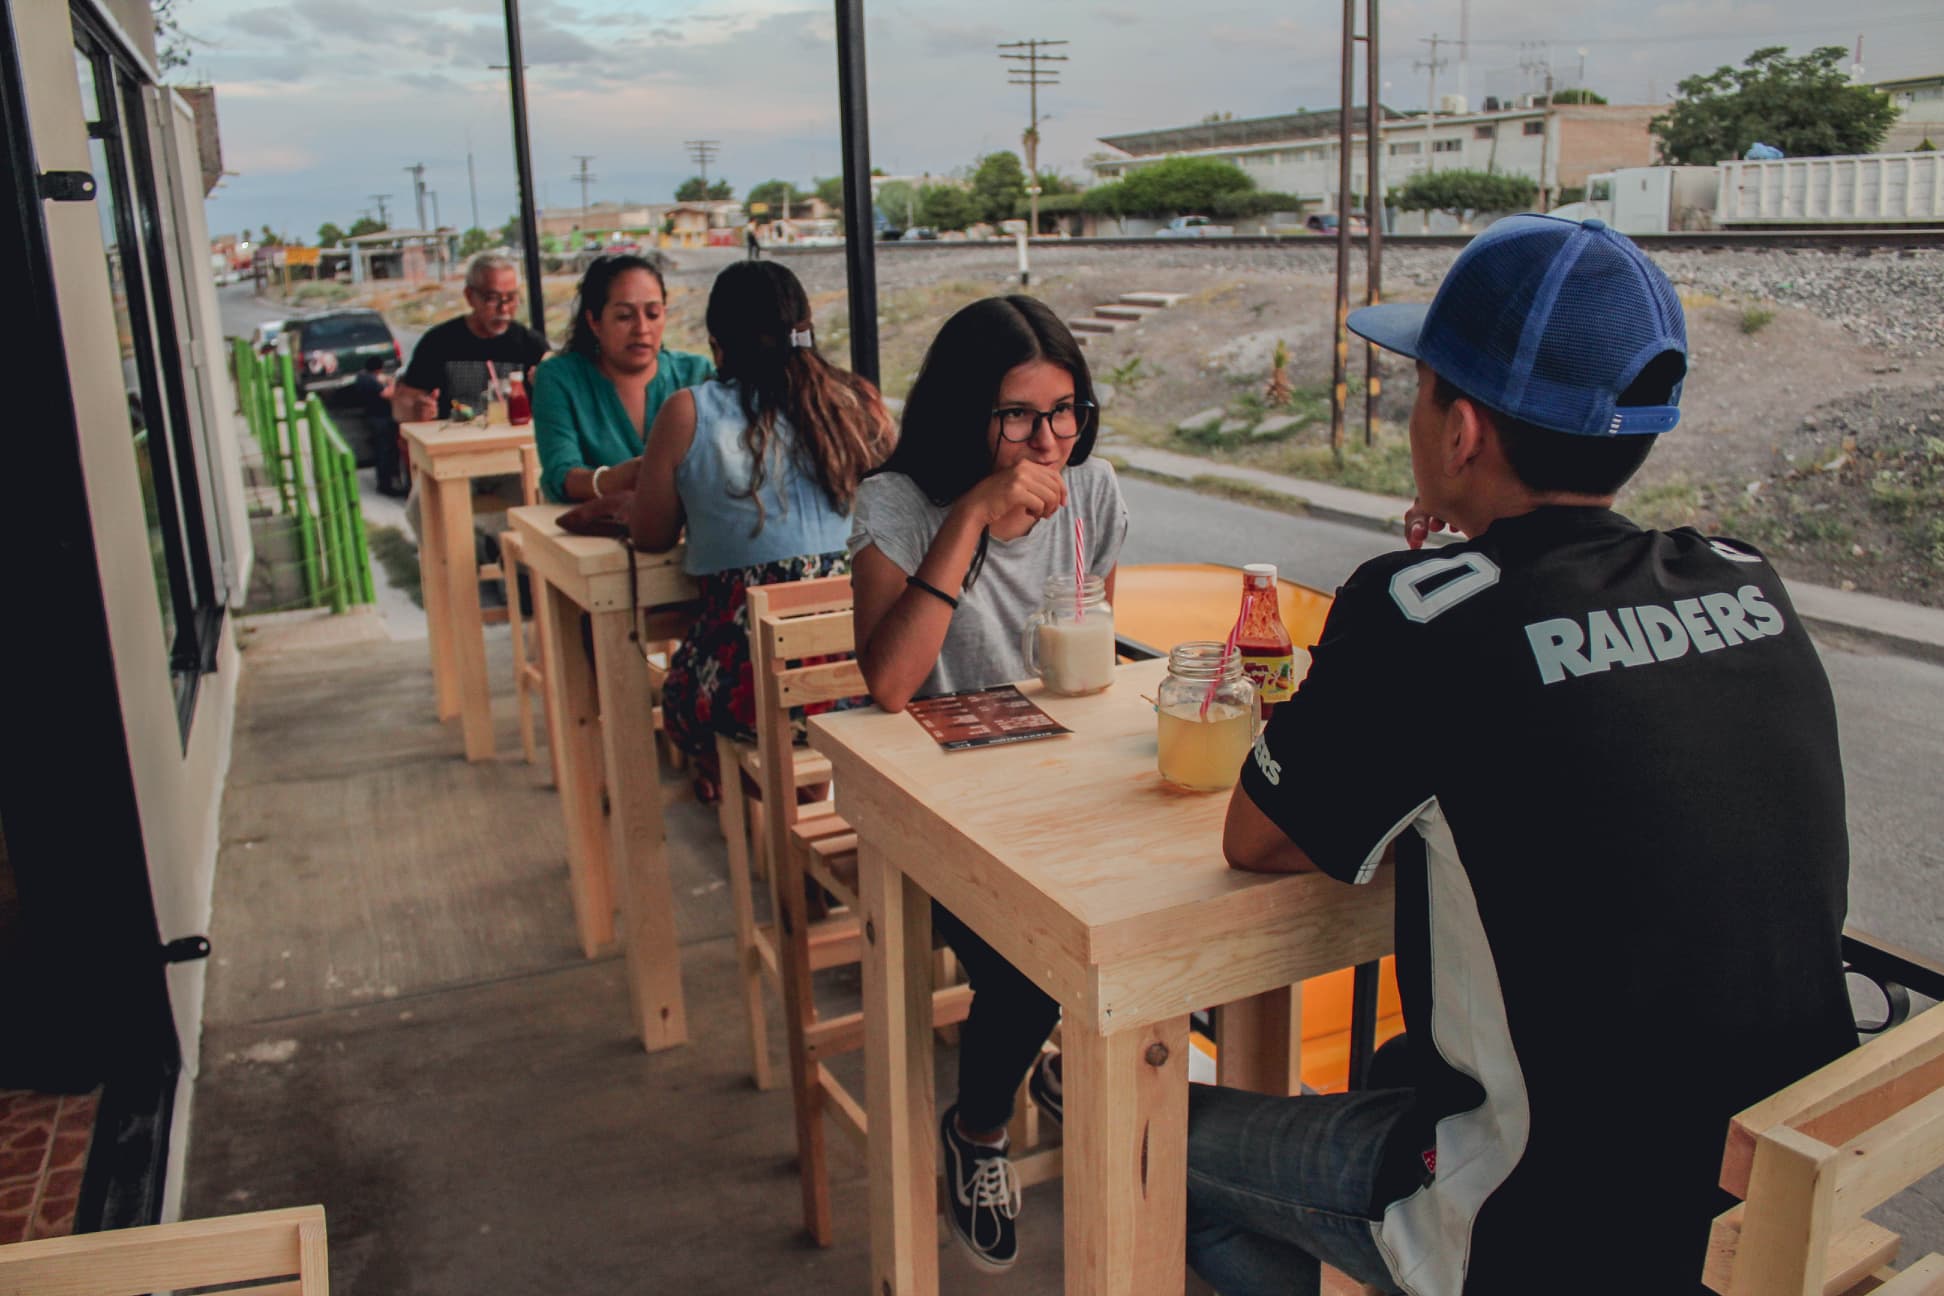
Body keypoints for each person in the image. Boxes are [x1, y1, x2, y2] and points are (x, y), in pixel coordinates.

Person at [1189, 215, 1856, 1295]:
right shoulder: (1745, 582)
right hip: (1758, 1211)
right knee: (1393, 1083)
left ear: (1460, 434)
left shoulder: (1423, 615)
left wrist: (1396, 618)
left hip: (1550, 1231)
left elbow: (1258, 839)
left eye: (1420, 387)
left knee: (1159, 1145)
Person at [848, 295, 1129, 1274]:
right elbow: (886, 683)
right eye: (1018, 415)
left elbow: (1086, 674)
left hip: (1057, 786)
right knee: (1026, 959)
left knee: (1140, 909)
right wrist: (968, 516)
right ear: (969, 411)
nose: (1047, 440)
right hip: (934, 801)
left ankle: (1056, 1058)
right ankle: (976, 1128)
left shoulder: (1092, 495)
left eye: (1066, 412)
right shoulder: (900, 503)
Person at [628, 260, 894, 800]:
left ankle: (757, 798)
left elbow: (651, 536)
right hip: (870, 676)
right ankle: (807, 804)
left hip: (749, 693)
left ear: (716, 345)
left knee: (680, 701)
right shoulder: (860, 404)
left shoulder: (688, 413)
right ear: (807, 327)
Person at [530, 255, 714, 504]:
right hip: (591, 538)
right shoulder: (559, 379)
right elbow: (559, 475)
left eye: (652, 314)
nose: (642, 328)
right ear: (594, 321)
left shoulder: (696, 373)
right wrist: (614, 479)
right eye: (624, 316)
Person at [392, 253, 549, 423]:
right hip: (454, 444)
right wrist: (415, 411)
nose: (503, 309)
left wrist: (548, 386)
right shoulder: (438, 342)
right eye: (492, 298)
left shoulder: (532, 344)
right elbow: (402, 405)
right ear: (469, 296)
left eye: (511, 298)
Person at [352, 356, 406, 497]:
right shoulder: (372, 382)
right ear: (378, 368)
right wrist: (393, 383)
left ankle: (387, 482)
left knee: (382, 451)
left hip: (371, 416)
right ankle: (386, 485)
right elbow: (387, 394)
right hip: (381, 419)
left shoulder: (362, 377)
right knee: (385, 452)